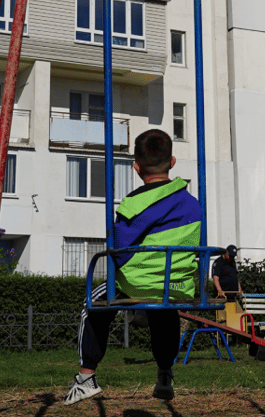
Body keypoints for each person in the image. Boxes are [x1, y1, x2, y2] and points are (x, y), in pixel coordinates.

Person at [64, 129, 201, 405]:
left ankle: (86, 378)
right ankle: (164, 373)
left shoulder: (134, 204)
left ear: (136, 167)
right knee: (166, 308)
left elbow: (119, 249)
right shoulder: (193, 204)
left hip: (137, 283)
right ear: (172, 162)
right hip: (177, 285)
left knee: (94, 303)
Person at [212, 244, 242, 309]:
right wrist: (220, 291)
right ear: (226, 253)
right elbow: (215, 278)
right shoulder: (218, 262)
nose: (232, 258)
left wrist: (239, 289)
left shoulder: (232, 262)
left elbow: (236, 276)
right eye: (230, 256)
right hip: (223, 297)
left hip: (233, 297)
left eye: (233, 256)